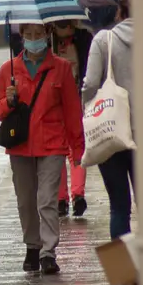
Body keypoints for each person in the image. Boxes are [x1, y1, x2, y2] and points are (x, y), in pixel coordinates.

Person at [0, 23, 85, 274]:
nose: (34, 39)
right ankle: (32, 246)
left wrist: (77, 151)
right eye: (29, 35)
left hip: (52, 144)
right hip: (20, 146)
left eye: (39, 34)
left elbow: (72, 111)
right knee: (26, 201)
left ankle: (48, 252)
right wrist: (9, 100)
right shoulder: (8, 70)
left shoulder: (61, 68)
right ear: (21, 37)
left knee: (47, 200)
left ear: (47, 35)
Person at [81, 0, 134, 239]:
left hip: (110, 128)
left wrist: (88, 109)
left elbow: (90, 83)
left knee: (118, 208)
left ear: (118, 13)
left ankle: (122, 275)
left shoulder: (104, 39)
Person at [51, 20, 94, 217]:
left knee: (77, 145)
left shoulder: (84, 39)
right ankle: (61, 198)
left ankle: (78, 195)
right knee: (57, 149)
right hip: (53, 103)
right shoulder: (45, 41)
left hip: (78, 99)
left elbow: (91, 70)